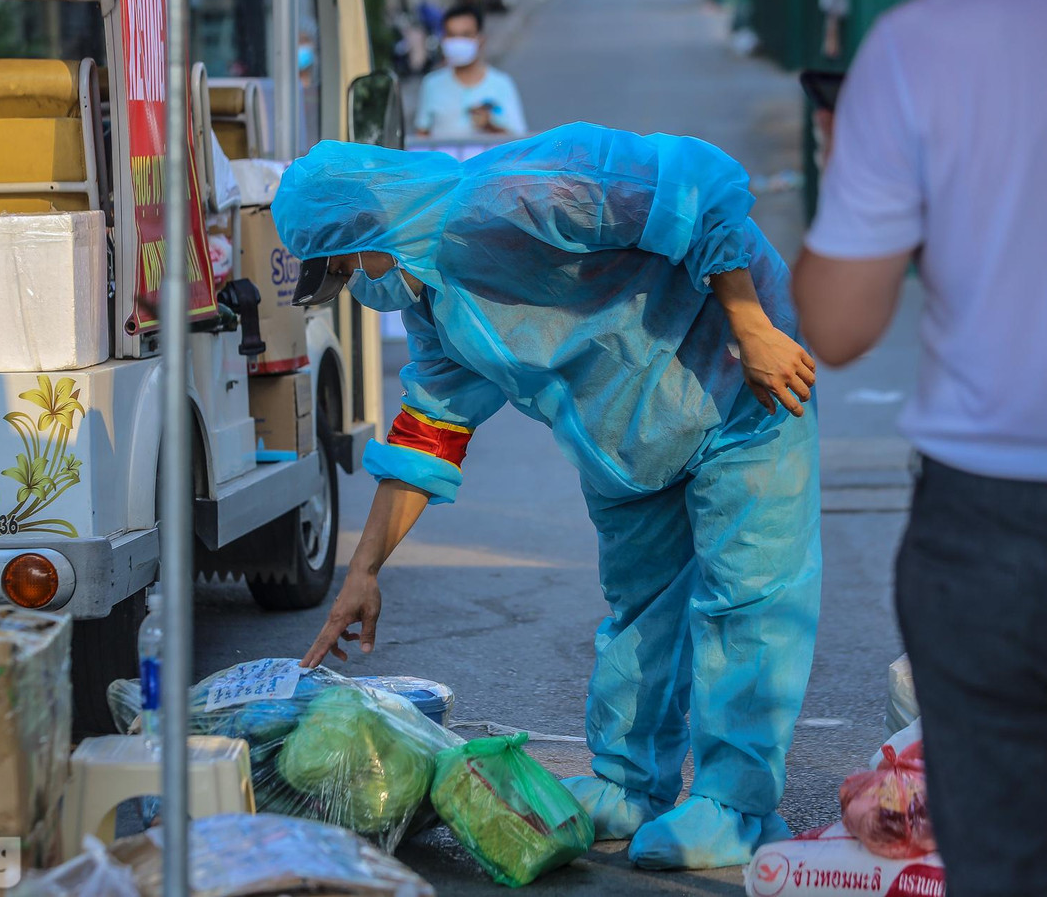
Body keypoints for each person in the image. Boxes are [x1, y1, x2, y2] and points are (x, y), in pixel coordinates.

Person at [277, 123, 821, 870]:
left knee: (748, 601)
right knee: (639, 610)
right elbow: (429, 431)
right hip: (630, 444)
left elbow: (695, 185)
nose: (357, 289)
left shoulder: (518, 193)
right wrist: (364, 570)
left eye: (343, 269)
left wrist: (750, 322)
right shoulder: (436, 306)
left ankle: (737, 803)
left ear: (373, 227)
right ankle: (629, 784)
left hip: (736, 382)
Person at [791, 0, 1047, 895]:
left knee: (1010, 859)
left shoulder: (921, 46)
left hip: (995, 528)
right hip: (992, 527)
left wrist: (846, 165)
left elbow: (838, 325)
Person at [413, 5, 527, 139]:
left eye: (465, 35)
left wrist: (489, 125)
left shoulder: (502, 84)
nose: (458, 42)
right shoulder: (431, 84)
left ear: (480, 39)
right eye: (452, 35)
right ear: (444, 39)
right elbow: (421, 139)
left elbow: (519, 142)